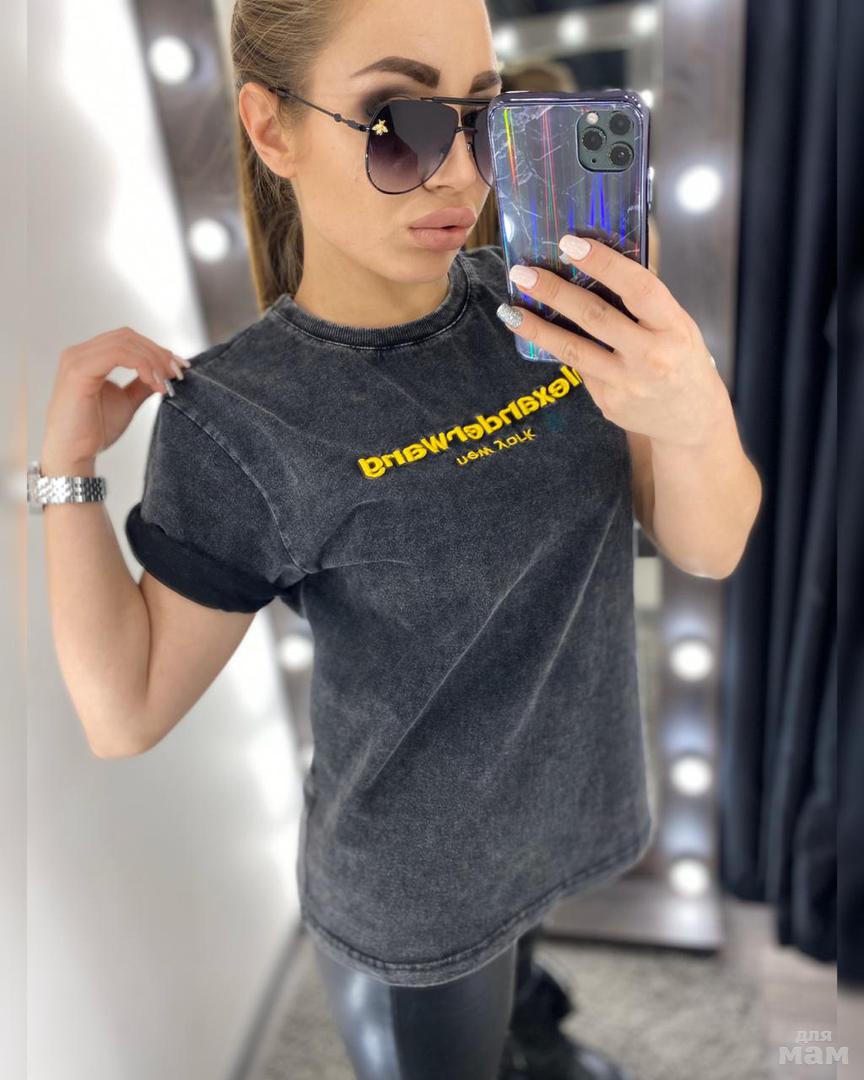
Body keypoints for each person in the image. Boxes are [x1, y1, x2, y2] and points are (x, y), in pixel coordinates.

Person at [37, 0, 760, 1075]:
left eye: (482, 117)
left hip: (563, 811)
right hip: (417, 900)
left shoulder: (545, 309)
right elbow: (124, 710)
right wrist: (65, 470)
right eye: (398, 122)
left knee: (523, 996)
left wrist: (690, 400)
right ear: (272, 128)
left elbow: (710, 546)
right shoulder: (240, 417)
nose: (462, 175)